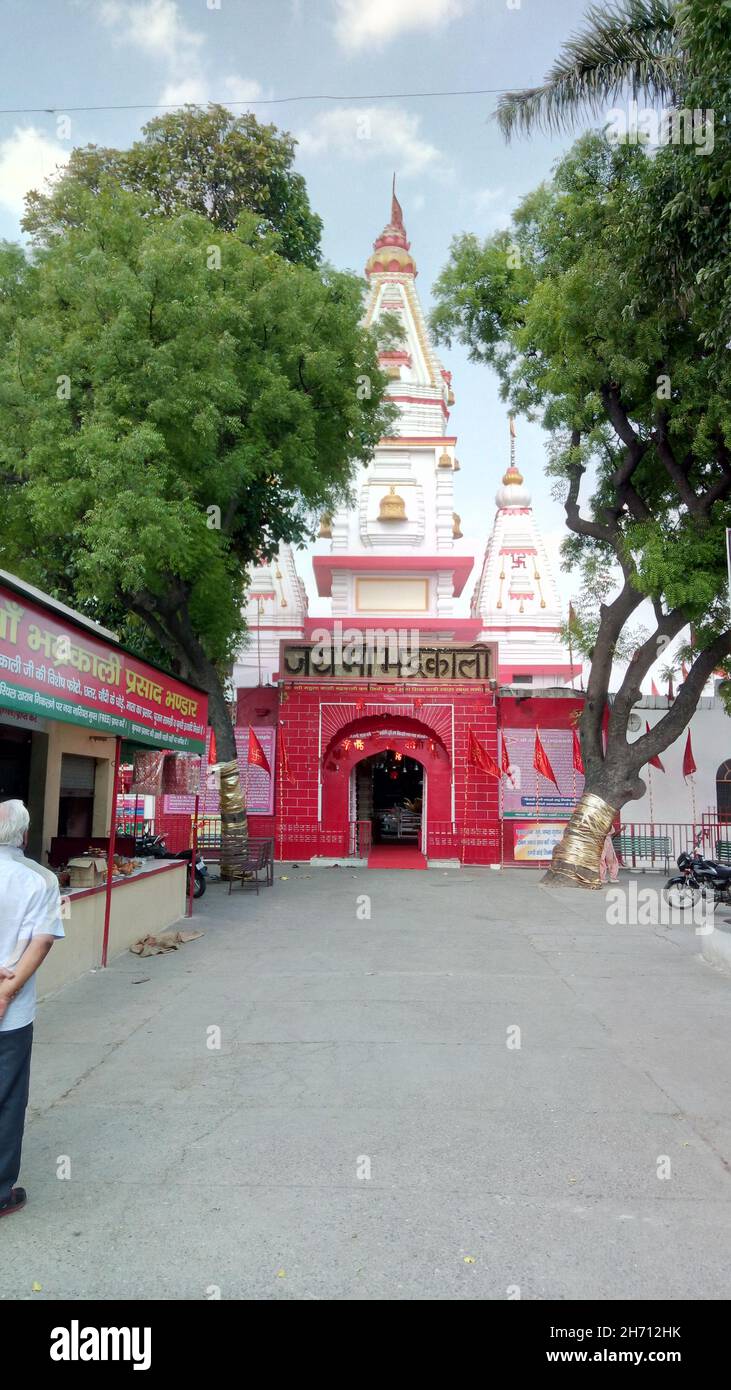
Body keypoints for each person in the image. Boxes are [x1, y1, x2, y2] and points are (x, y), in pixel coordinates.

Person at [0, 800, 64, 1218]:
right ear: (23, 836)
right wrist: (6, 994)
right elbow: (41, 942)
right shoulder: (40, 880)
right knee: (7, 1098)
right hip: (12, 1013)